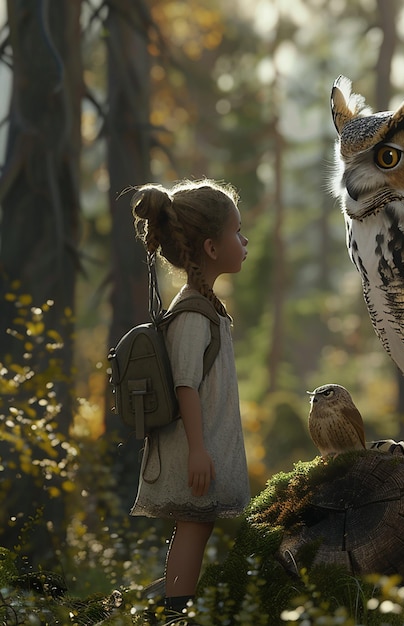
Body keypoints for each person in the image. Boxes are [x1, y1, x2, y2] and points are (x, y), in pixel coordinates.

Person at [129, 178, 250, 623]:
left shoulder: (207, 306)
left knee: (198, 527)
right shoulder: (192, 314)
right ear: (211, 249)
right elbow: (184, 385)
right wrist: (198, 449)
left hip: (205, 442)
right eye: (236, 232)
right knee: (193, 527)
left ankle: (180, 605)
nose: (244, 240)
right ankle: (176, 612)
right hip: (191, 447)